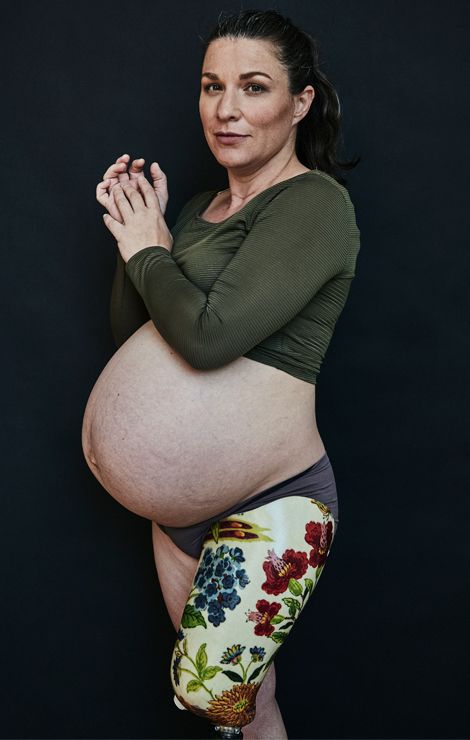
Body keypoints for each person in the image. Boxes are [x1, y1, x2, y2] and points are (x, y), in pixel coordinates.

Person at [90, 8, 361, 739]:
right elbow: (138, 338)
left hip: (271, 503)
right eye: (212, 86)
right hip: (180, 515)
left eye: (253, 86)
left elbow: (208, 340)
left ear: (299, 103)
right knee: (244, 708)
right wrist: (137, 234)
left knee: (211, 694)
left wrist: (151, 252)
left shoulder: (315, 204)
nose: (226, 108)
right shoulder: (196, 210)